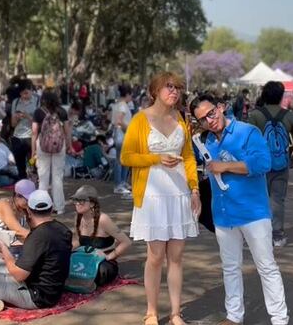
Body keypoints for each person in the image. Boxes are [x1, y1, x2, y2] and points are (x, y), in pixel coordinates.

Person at [191, 94, 288, 325]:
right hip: (223, 214)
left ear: (221, 108)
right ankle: (234, 316)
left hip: (253, 212)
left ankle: (279, 319)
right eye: (202, 119)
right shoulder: (205, 142)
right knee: (230, 267)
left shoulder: (247, 132)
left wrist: (225, 166)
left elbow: (263, 163)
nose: (209, 120)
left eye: (211, 113)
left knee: (266, 266)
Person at [121, 72, 200, 325]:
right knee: (155, 256)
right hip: (153, 196)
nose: (174, 92)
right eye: (169, 87)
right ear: (155, 90)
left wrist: (195, 189)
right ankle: (151, 312)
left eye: (177, 88)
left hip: (178, 194)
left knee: (176, 257)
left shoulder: (181, 118)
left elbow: (188, 157)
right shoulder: (140, 119)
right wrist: (155, 158)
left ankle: (176, 313)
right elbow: (127, 157)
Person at [246, 81, 293, 247]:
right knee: (277, 199)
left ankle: (256, 234)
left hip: (259, 164)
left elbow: (248, 140)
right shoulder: (289, 116)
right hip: (280, 162)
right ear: (281, 96)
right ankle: (277, 234)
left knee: (257, 197)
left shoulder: (255, 115)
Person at [70, 185, 131, 287]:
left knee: (100, 272)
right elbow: (78, 241)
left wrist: (109, 256)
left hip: (102, 262)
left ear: (92, 203)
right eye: (75, 200)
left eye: (81, 201)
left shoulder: (103, 219)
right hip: (85, 258)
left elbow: (126, 242)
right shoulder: (78, 218)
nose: (77, 204)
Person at [31, 90, 72, 214]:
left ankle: (42, 206)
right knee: (57, 177)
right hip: (59, 146)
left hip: (42, 146)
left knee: (43, 177)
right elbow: (67, 131)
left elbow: (34, 132)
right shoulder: (62, 111)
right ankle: (59, 207)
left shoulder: (38, 112)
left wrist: (33, 151)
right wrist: (69, 144)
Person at [10, 79, 39, 180]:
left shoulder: (37, 101)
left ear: (31, 90)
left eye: (26, 93)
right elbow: (13, 124)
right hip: (17, 137)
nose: (24, 96)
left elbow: (39, 123)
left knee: (33, 165)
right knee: (20, 167)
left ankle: (34, 187)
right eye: (22, 93)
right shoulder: (16, 102)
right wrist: (17, 118)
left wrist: (28, 116)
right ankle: (22, 188)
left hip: (31, 138)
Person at [111, 85, 134, 195]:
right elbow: (119, 121)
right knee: (120, 160)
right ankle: (119, 184)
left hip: (119, 133)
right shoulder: (123, 106)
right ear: (128, 94)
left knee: (123, 159)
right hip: (122, 133)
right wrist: (129, 129)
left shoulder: (116, 105)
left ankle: (122, 182)